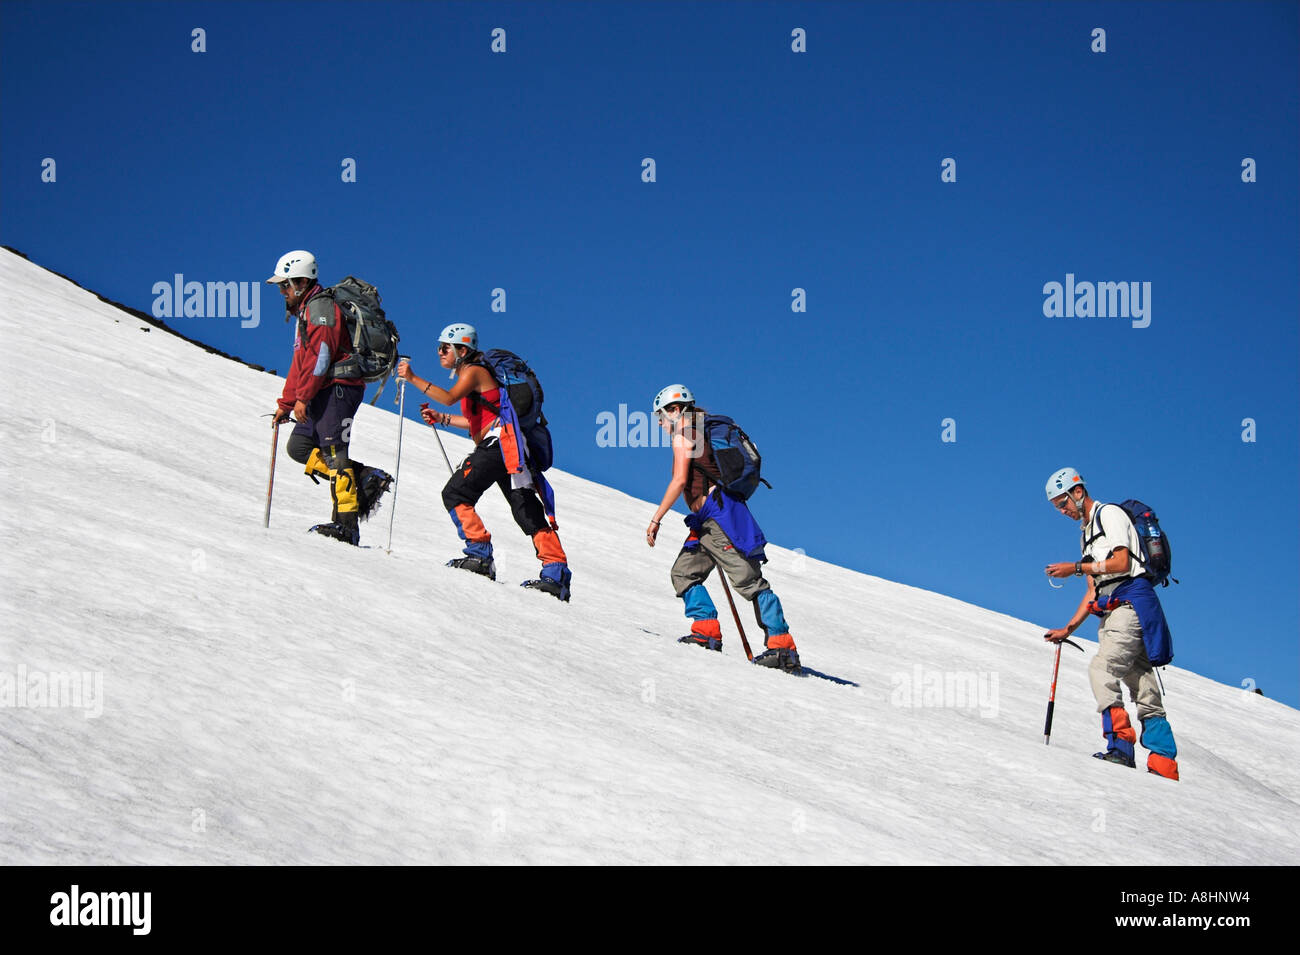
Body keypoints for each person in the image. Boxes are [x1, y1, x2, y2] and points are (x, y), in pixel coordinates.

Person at [395, 324, 572, 600]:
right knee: (524, 506)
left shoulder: (473, 371)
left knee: (456, 492)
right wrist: (441, 419)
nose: (440, 353)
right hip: (509, 445)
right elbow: (476, 422)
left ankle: (479, 554)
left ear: (462, 350)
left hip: (499, 443)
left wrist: (413, 377)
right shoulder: (476, 373)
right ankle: (556, 571)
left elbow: (450, 398)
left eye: (445, 348)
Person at [645, 384, 801, 672]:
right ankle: (706, 631)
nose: (659, 423)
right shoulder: (700, 430)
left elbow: (679, 481)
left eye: (661, 416)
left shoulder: (685, 434)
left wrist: (656, 519)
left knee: (749, 581)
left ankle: (782, 646)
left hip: (718, 518)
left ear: (675, 409)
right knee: (684, 572)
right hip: (706, 521)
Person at [1043, 468, 1179, 780]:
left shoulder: (1110, 515)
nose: (1061, 511)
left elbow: (1121, 563)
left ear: (1078, 492)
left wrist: (1075, 567)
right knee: (1144, 685)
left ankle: (1120, 748)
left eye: (1062, 503)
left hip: (1129, 605)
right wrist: (1068, 628)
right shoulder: (1085, 533)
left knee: (1101, 669)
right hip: (1116, 607)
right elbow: (1093, 590)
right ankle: (1164, 765)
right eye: (1056, 507)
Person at [267, 250, 391, 544]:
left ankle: (346, 525)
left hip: (339, 386)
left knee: (336, 453)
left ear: (301, 281)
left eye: (285, 285)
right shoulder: (307, 311)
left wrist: (302, 397)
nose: (282, 291)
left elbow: (321, 356)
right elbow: (301, 362)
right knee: (299, 447)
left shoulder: (321, 308)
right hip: (322, 390)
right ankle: (365, 477)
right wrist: (286, 403)